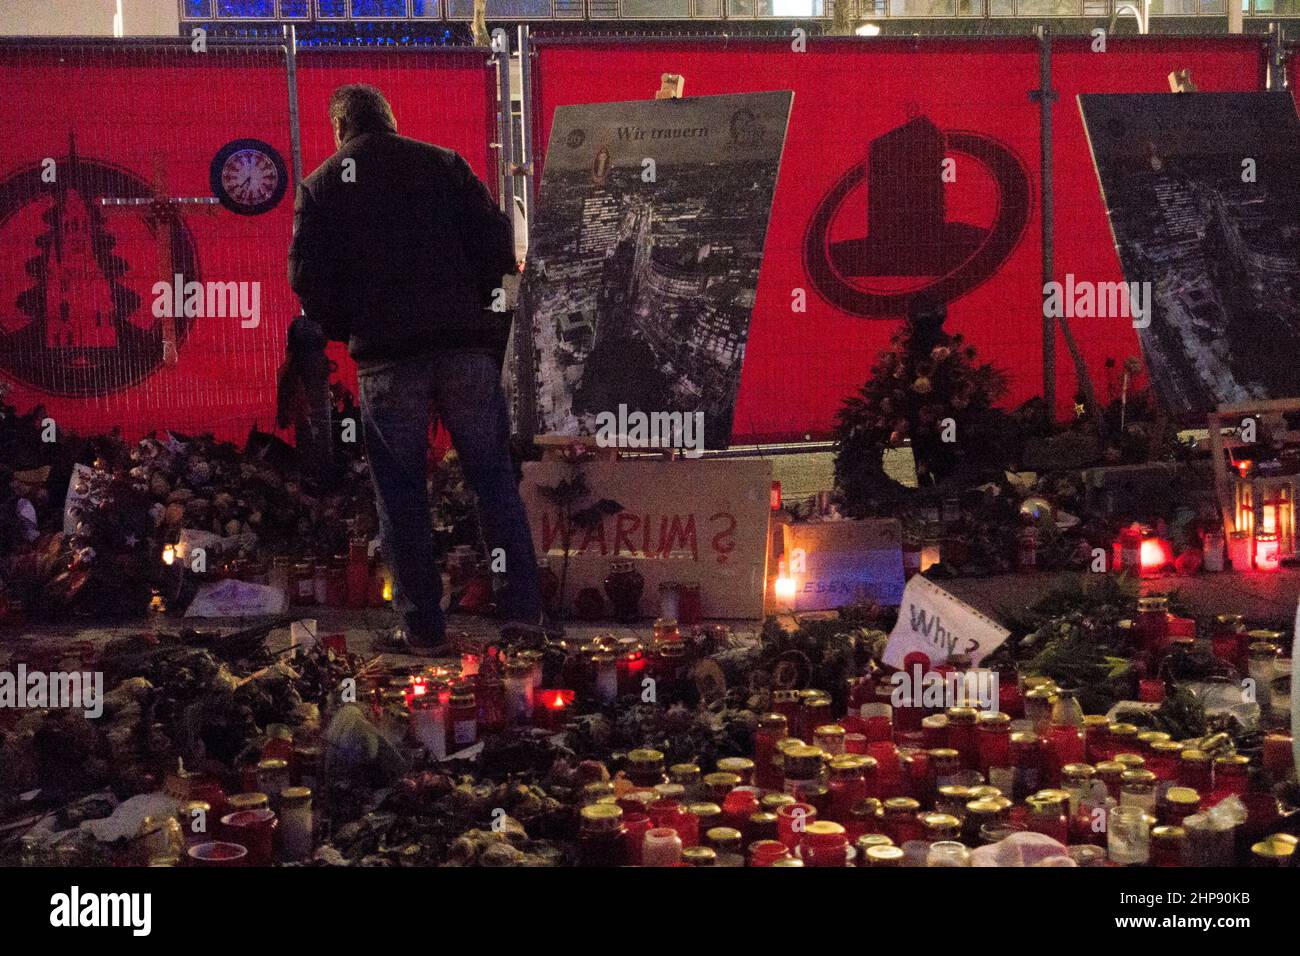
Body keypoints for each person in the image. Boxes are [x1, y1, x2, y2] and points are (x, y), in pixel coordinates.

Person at [288, 83, 542, 651]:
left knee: (401, 494)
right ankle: (522, 618)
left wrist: (350, 326)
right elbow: (497, 241)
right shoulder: (443, 164)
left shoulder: (322, 186)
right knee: (494, 482)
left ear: (339, 128)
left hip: (387, 358)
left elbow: (308, 281)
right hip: (463, 348)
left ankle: (424, 629)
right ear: (392, 120)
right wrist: (477, 307)